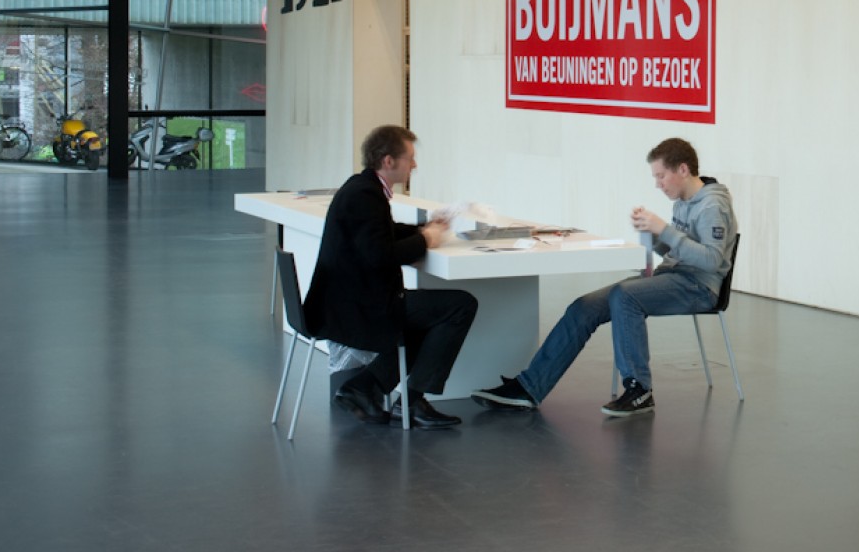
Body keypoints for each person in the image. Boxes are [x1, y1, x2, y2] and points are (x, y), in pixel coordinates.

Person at [472, 137, 735, 418]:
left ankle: (639, 389)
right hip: (672, 276)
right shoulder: (683, 201)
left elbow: (711, 260)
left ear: (682, 169)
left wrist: (664, 230)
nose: (657, 184)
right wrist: (652, 235)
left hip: (699, 286)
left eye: (661, 176)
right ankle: (529, 387)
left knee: (625, 296)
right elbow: (678, 250)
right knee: (583, 307)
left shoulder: (712, 205)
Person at [304, 125, 477, 430]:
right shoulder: (365, 195)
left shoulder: (362, 187)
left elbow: (381, 234)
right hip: (358, 308)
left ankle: (367, 389)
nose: (414, 164)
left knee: (428, 316)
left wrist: (425, 230)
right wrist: (426, 240)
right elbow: (380, 255)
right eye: (409, 158)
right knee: (460, 306)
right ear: (388, 160)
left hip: (350, 301)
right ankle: (409, 400)